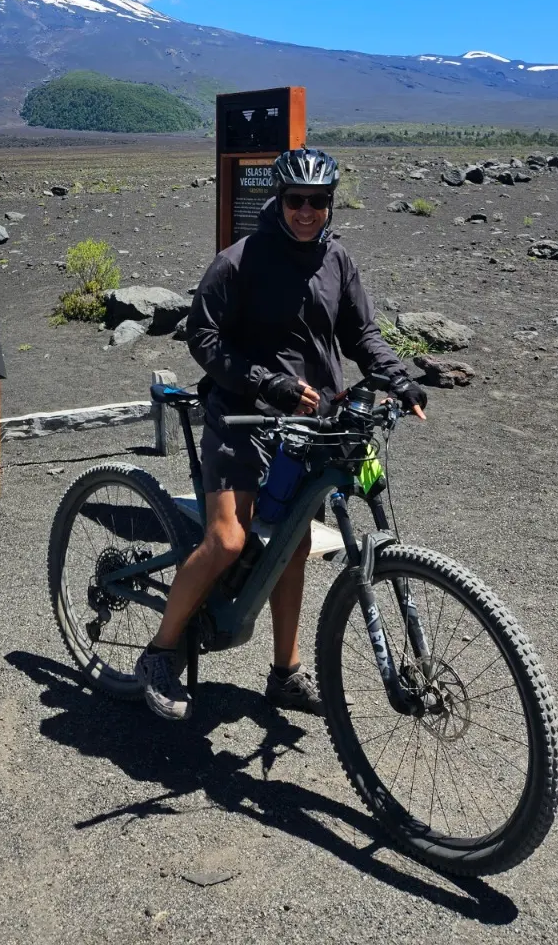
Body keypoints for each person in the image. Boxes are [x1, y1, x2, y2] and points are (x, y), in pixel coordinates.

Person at [134, 145, 428, 722]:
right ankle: (159, 654)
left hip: (310, 424)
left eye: (318, 201)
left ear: (331, 203)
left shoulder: (337, 260)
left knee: (294, 542)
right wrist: (266, 382)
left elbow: (362, 334)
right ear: (280, 198)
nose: (306, 211)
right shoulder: (239, 261)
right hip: (242, 417)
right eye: (296, 199)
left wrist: (399, 378)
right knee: (228, 540)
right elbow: (204, 338)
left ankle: (285, 674)